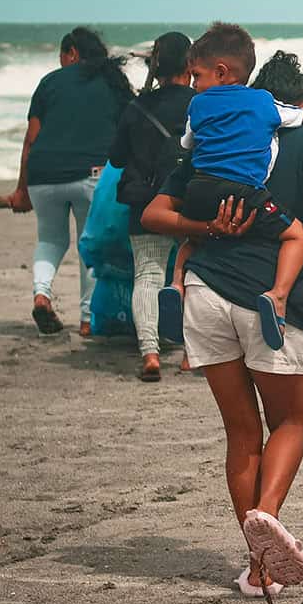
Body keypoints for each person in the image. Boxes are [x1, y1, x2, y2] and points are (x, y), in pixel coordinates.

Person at [142, 49, 303, 596]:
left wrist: (209, 229)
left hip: (205, 291)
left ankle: (258, 568)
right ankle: (266, 517)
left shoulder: (215, 143)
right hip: (272, 304)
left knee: (242, 433)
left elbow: (154, 213)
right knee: (289, 422)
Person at [158, 23, 303, 352]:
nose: (194, 84)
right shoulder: (262, 101)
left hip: (198, 189)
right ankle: (278, 297)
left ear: (220, 72)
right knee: (297, 235)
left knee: (193, 240)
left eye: (196, 75)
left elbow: (187, 143)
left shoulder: (197, 105)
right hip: (243, 192)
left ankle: (176, 284)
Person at [8, 27, 134, 336]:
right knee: (88, 244)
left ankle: (42, 294)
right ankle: (88, 320)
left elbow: (31, 139)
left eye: (61, 56)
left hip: (43, 175)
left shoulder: (49, 82)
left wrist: (22, 189)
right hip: (91, 175)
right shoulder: (113, 83)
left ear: (72, 53)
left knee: (50, 241)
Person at [108, 31, 195, 381]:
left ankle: (150, 354)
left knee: (147, 274)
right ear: (190, 64)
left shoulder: (138, 107)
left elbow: (116, 158)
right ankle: (191, 354)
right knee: (195, 274)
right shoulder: (200, 103)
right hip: (191, 199)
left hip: (145, 200)